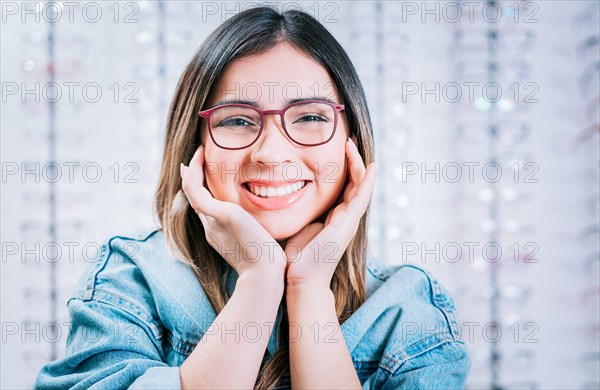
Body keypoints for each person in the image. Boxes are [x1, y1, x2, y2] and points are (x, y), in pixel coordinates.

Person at [35, 6, 470, 389]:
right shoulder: (133, 280)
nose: (271, 153)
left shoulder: (407, 310)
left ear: (351, 142)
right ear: (195, 145)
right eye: (238, 120)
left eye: (311, 116)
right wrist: (259, 280)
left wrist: (309, 286)